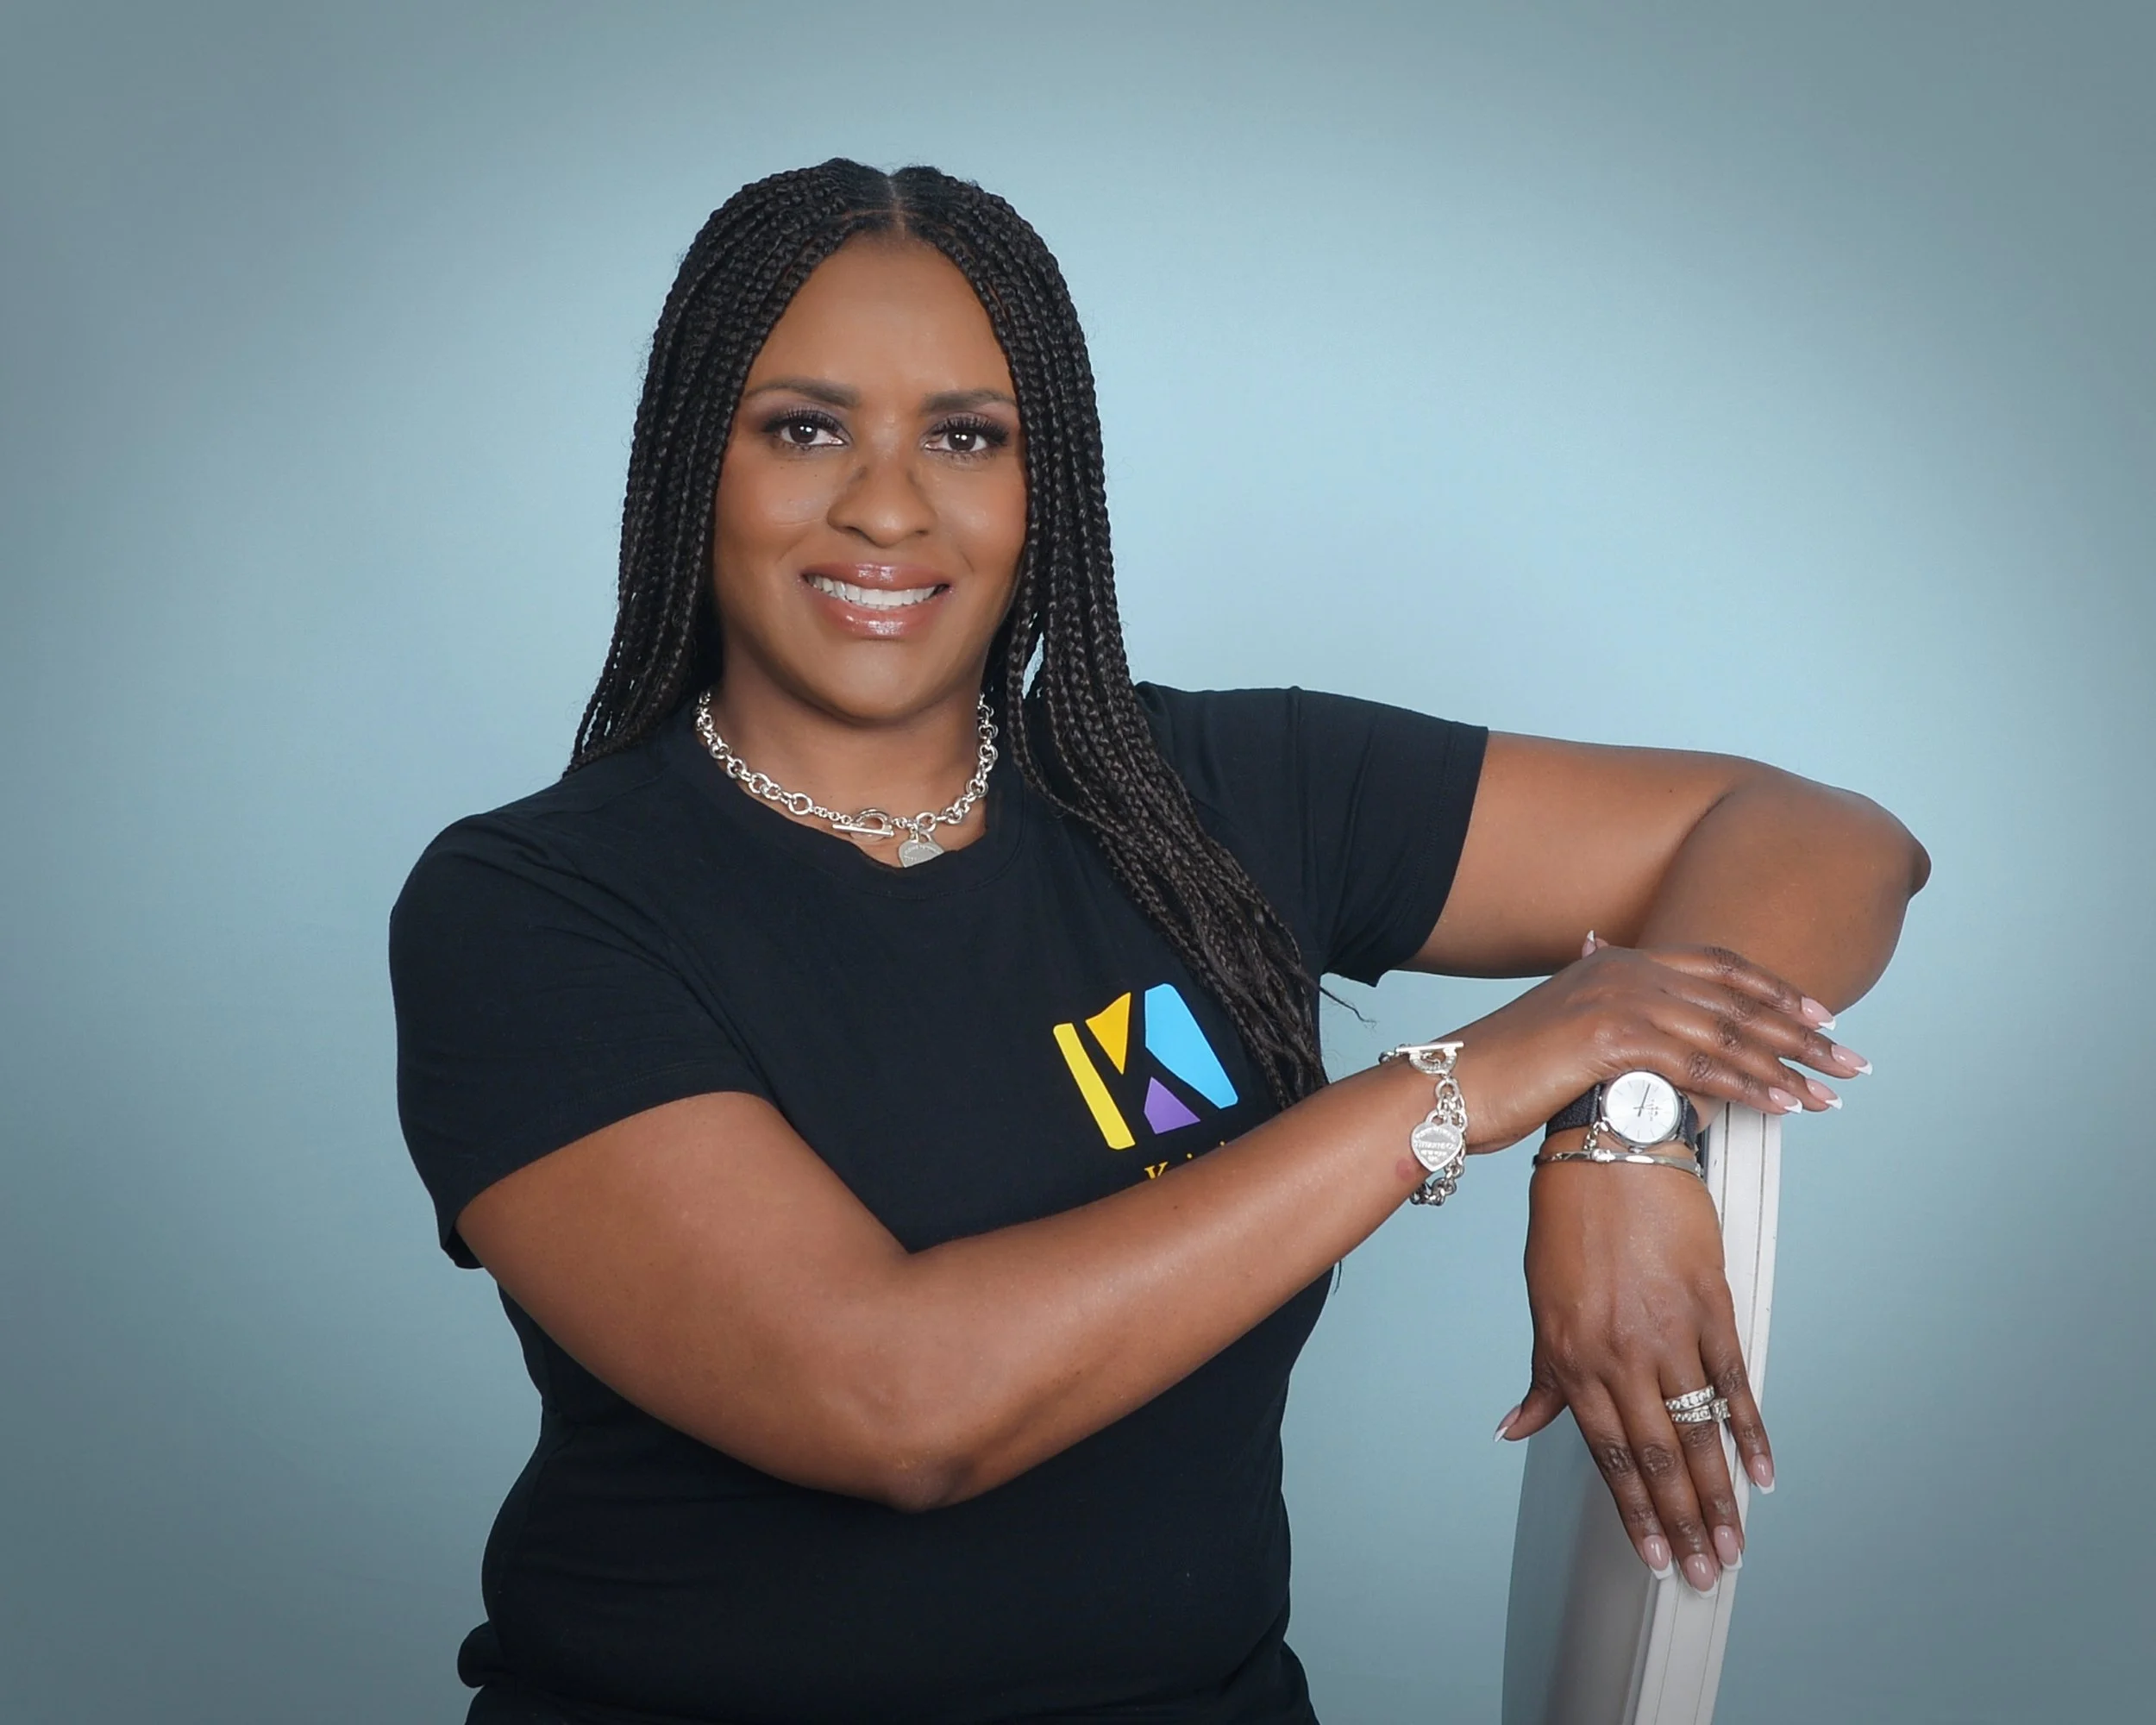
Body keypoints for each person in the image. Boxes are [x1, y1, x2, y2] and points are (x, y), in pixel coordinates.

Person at [389, 160, 1927, 1725]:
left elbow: (1822, 841)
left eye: (968, 437)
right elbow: (897, 1404)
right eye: (805, 426)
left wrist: (1626, 1132)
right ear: (689, 463)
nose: (888, 505)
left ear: (1040, 484)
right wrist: (1480, 1079)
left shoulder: (1205, 799)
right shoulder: (534, 907)